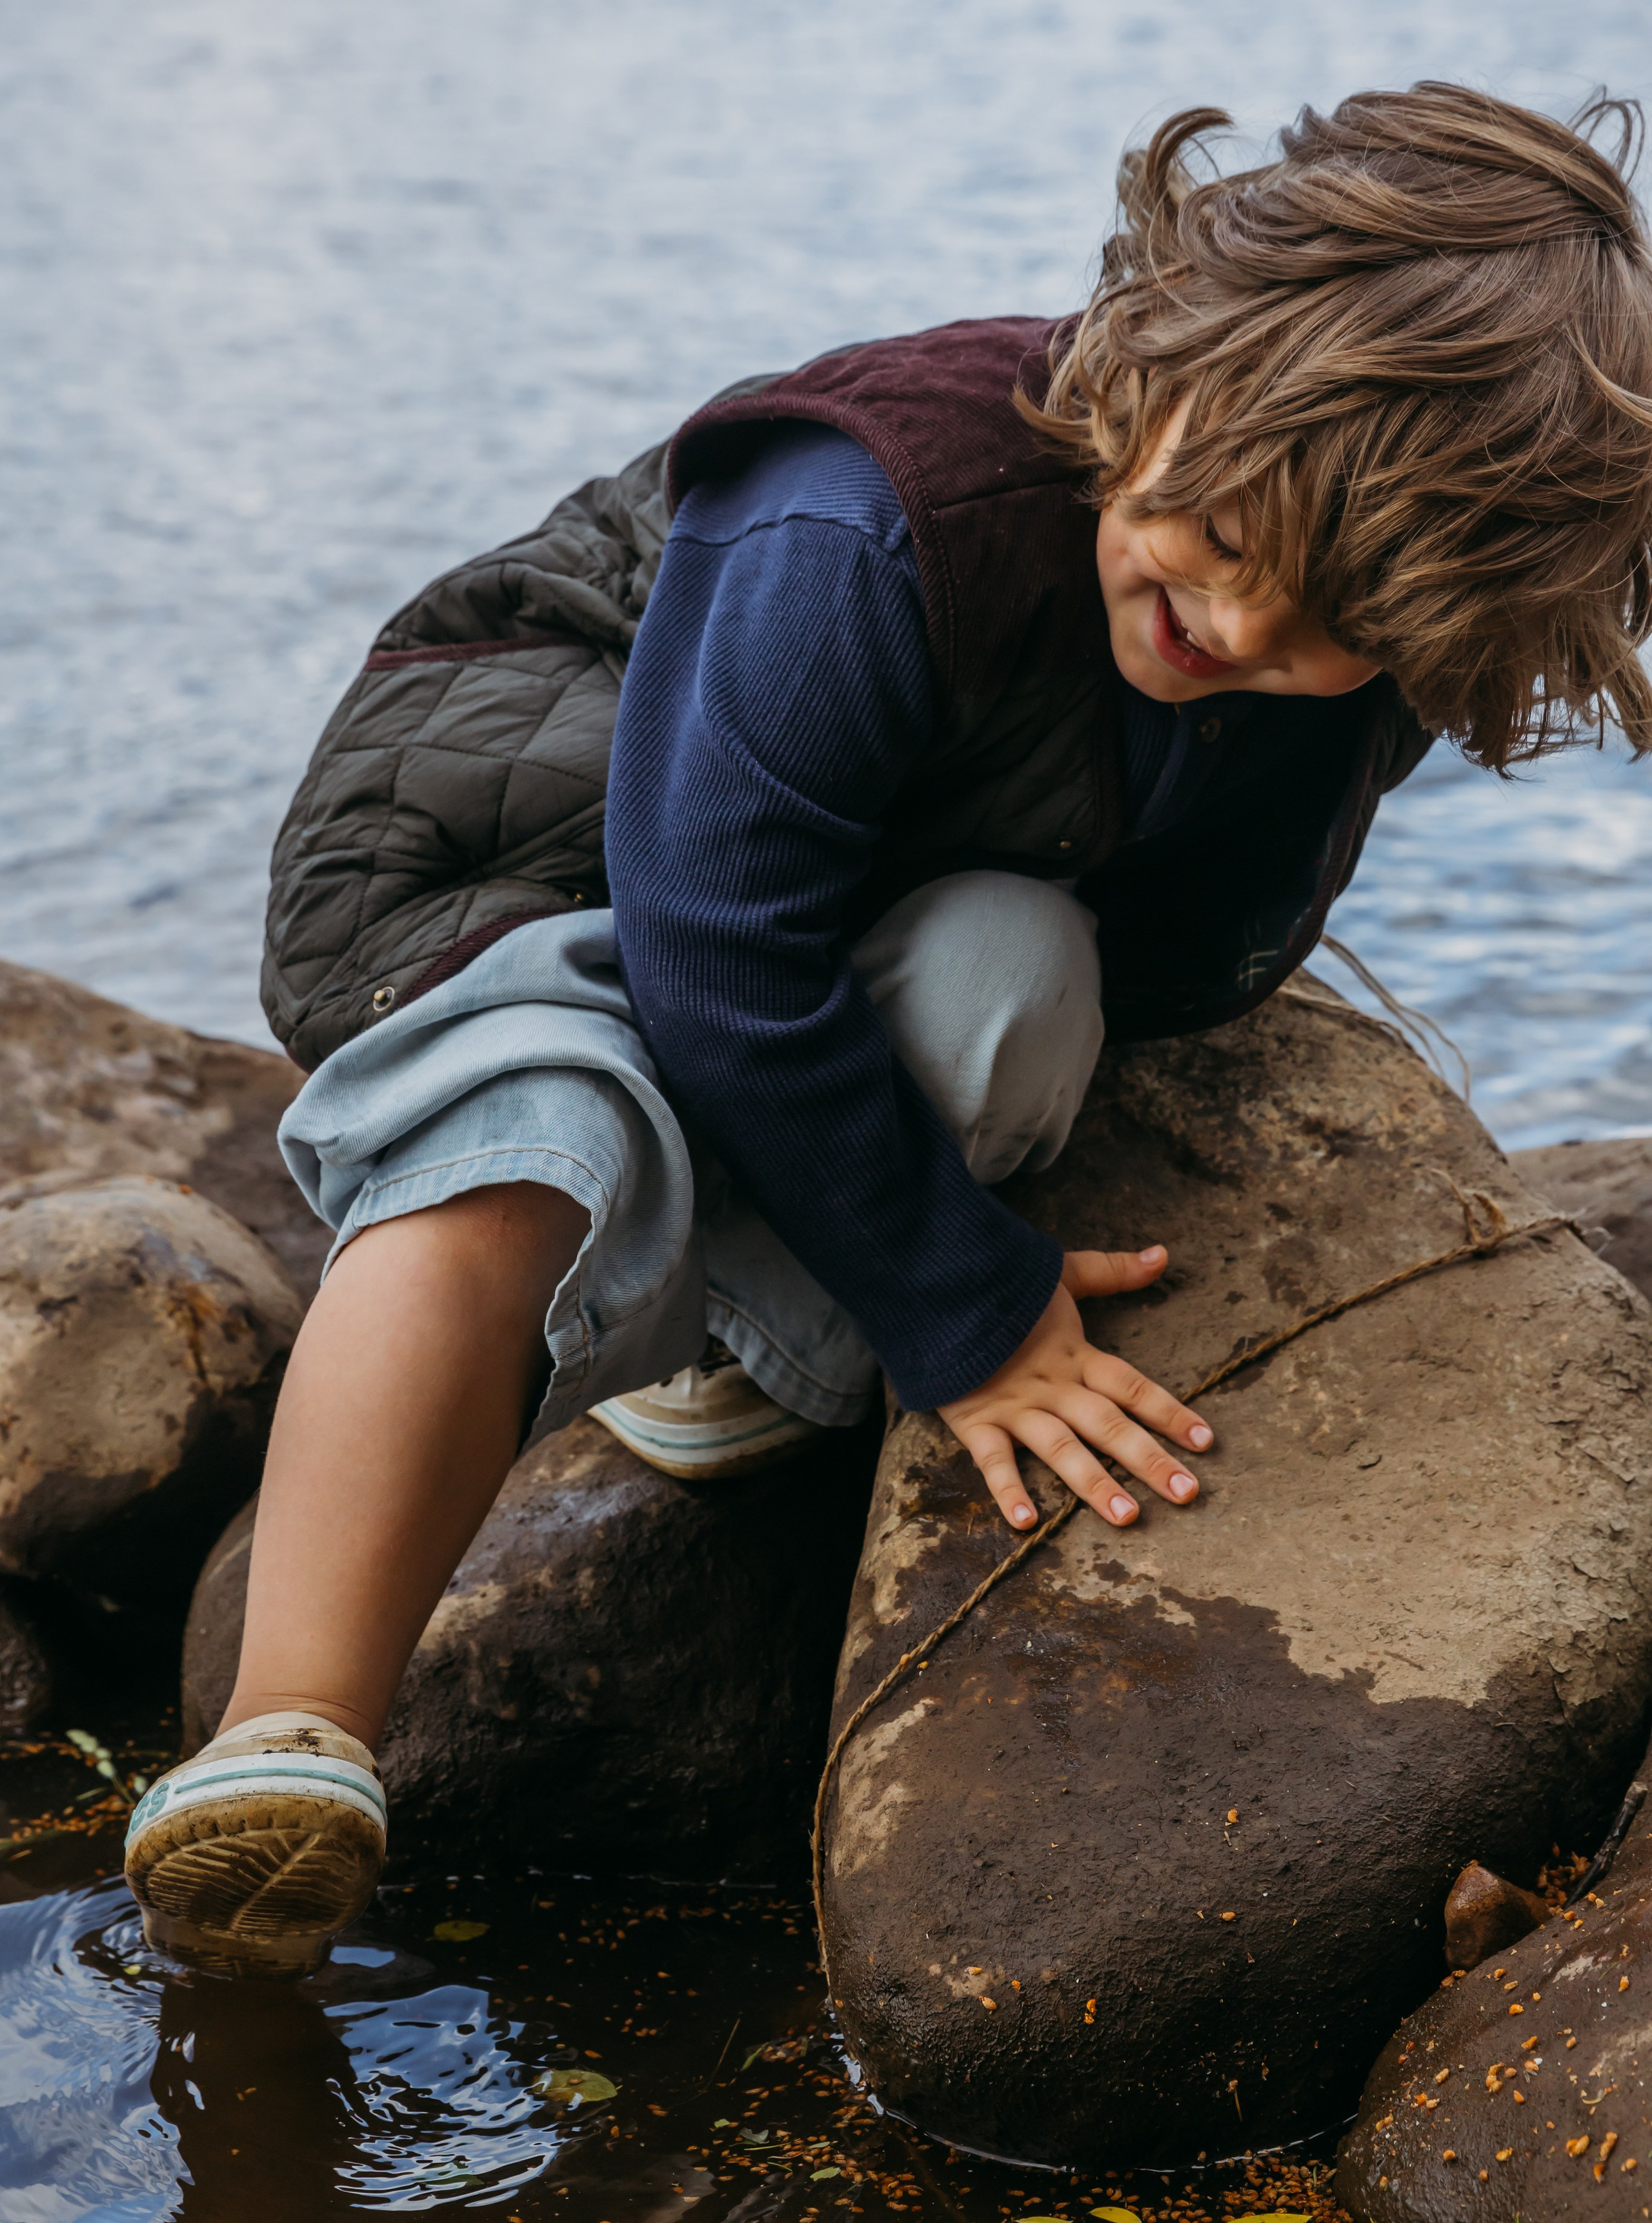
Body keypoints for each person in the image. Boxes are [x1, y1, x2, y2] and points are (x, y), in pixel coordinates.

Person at [125, 84, 1652, 1975]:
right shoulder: (862, 518)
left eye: (1319, 618)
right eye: (1209, 526)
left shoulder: (1327, 651)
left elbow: (1146, 927)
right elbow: (713, 944)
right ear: (1156, 357)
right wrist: (974, 1315)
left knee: (1023, 987)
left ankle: (740, 1351)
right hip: (517, 850)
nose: (1228, 614)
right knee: (531, 1147)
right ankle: (292, 1743)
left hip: (837, 882)